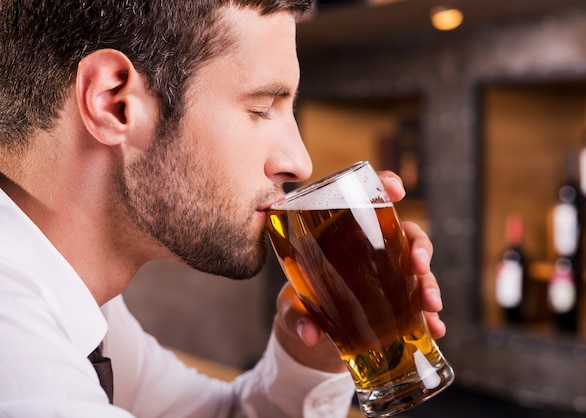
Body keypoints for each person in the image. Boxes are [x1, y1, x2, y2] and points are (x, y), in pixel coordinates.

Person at [0, 1, 447, 417]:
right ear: (114, 103)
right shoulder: (19, 358)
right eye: (261, 108)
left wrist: (309, 355)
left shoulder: (83, 306)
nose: (299, 162)